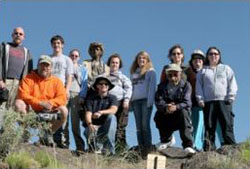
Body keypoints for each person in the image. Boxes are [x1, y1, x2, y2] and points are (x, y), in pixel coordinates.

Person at [15, 55, 68, 145]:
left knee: (64, 110)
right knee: (18, 103)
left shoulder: (57, 81)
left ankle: (47, 134)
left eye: (47, 66)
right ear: (38, 65)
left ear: (51, 68)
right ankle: (25, 134)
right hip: (32, 111)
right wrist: (39, 103)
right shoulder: (28, 78)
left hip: (50, 111)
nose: (44, 68)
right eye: (42, 65)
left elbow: (62, 97)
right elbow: (22, 94)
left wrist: (50, 103)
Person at [196, 47, 238, 151]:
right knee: (209, 126)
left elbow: (232, 83)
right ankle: (209, 149)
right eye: (211, 54)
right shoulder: (203, 71)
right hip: (209, 102)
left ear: (219, 56)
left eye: (216, 54)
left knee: (227, 125)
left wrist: (231, 96)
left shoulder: (226, 68)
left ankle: (231, 148)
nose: (213, 56)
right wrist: (200, 99)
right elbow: (199, 87)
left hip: (224, 101)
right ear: (207, 56)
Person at [154, 63, 196, 155]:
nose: (173, 77)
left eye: (175, 74)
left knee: (184, 113)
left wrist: (176, 107)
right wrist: (166, 107)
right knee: (158, 115)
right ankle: (166, 140)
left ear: (180, 74)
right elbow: (158, 101)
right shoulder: (161, 86)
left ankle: (188, 145)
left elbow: (187, 103)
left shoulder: (186, 85)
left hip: (180, 115)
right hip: (168, 113)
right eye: (170, 75)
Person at [0, 27, 33, 129]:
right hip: (6, 81)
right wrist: (0, 80)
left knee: (16, 108)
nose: (18, 35)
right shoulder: (5, 47)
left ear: (24, 37)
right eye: (16, 33)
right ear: (12, 35)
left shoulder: (27, 52)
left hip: (20, 84)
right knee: (2, 107)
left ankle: (10, 134)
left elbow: (29, 71)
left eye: (20, 34)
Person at [130, 51, 156, 158]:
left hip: (146, 101)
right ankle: (140, 149)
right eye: (139, 58)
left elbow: (152, 87)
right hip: (136, 102)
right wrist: (131, 102)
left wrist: (150, 102)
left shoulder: (150, 72)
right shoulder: (134, 73)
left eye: (144, 58)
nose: (141, 60)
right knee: (138, 127)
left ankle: (148, 148)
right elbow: (132, 88)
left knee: (145, 125)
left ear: (147, 60)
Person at [49, 35, 73, 148]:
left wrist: (67, 89)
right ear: (51, 45)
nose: (56, 45)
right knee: (49, 114)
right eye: (54, 43)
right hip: (48, 89)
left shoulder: (67, 59)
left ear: (62, 45)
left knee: (62, 114)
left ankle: (59, 140)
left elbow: (69, 76)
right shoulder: (49, 59)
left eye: (58, 43)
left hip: (61, 89)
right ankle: (47, 137)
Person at [84, 76, 118, 155]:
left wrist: (101, 112)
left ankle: (110, 150)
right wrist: (90, 124)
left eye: (106, 84)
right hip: (94, 128)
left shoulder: (113, 98)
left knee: (112, 117)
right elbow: (88, 113)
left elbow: (114, 110)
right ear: (97, 86)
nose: (104, 85)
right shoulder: (90, 99)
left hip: (106, 128)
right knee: (87, 130)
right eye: (101, 84)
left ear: (108, 87)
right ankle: (94, 148)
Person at [106, 53, 132, 150]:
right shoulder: (105, 77)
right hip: (108, 104)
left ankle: (120, 149)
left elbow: (129, 88)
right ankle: (107, 148)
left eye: (117, 63)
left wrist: (126, 100)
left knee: (120, 127)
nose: (115, 64)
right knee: (108, 126)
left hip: (121, 103)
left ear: (119, 64)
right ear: (109, 63)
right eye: (113, 62)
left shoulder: (123, 77)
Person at [65, 49, 88, 154]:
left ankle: (80, 145)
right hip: (64, 93)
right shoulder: (65, 65)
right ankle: (64, 143)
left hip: (76, 95)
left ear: (79, 57)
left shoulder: (82, 68)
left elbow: (84, 83)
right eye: (72, 55)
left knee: (75, 122)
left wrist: (82, 96)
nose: (74, 57)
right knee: (63, 120)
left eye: (76, 56)